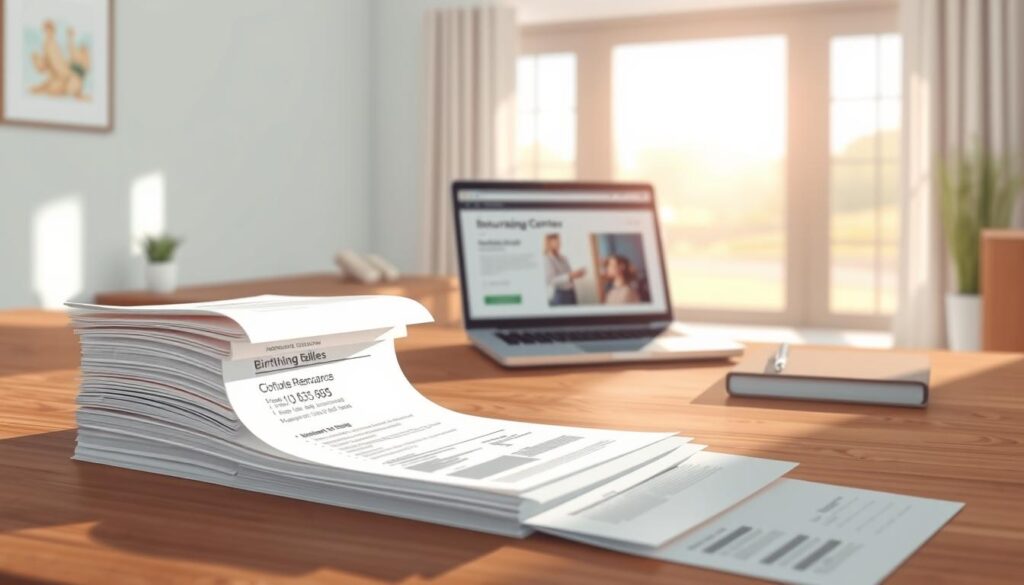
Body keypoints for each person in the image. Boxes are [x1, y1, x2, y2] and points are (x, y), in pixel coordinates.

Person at [544, 234, 585, 305]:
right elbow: (550, 281)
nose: (559, 243)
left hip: (571, 291)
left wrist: (577, 274)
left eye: (559, 241)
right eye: (556, 241)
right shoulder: (547, 259)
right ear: (549, 243)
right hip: (561, 295)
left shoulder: (564, 257)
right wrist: (570, 276)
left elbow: (569, 274)